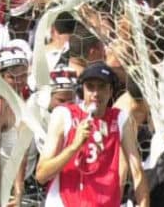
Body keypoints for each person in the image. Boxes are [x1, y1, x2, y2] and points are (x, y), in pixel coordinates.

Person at [35, 61, 140, 207]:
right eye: (90, 87)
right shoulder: (64, 115)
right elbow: (41, 175)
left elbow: (137, 172)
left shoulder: (120, 119)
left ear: (111, 90)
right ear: (82, 90)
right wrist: (74, 146)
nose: (96, 93)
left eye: (101, 87)